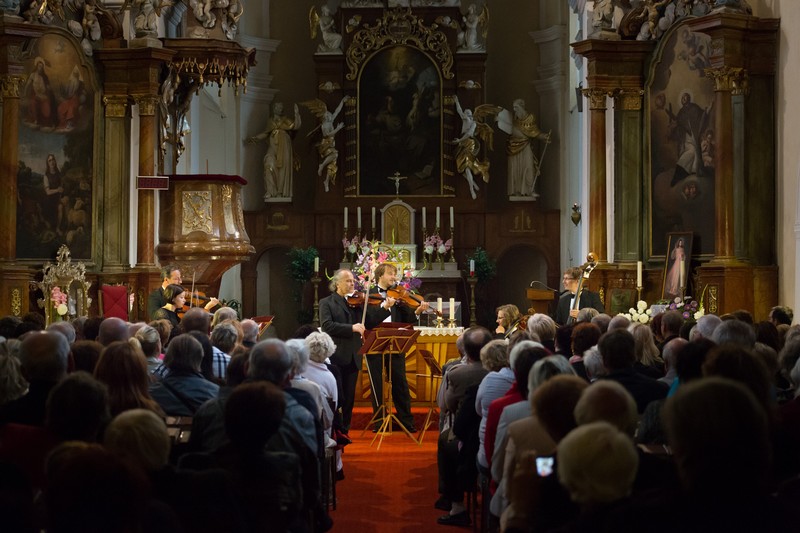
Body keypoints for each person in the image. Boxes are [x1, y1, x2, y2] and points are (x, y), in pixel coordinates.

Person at [319, 269, 385, 433]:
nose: (352, 284)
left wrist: (385, 308)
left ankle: (345, 430)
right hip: (336, 356)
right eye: (348, 281)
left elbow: (369, 322)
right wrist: (351, 328)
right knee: (336, 396)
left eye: (353, 281)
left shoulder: (357, 303)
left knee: (349, 398)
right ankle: (333, 430)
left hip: (353, 356)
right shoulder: (326, 302)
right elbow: (327, 326)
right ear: (337, 284)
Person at [366, 262, 429, 433]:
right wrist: (385, 307)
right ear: (380, 275)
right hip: (374, 345)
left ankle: (406, 422)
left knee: (400, 383)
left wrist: (417, 312)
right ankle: (380, 422)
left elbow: (407, 318)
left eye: (395, 274)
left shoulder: (399, 296)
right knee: (377, 384)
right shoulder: (369, 295)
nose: (394, 277)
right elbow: (368, 320)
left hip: (395, 344)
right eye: (391, 274)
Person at [245, 101, 301, 200]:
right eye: (278, 107)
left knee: (283, 169)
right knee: (268, 164)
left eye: (281, 107)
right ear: (274, 108)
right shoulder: (270, 121)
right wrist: (255, 138)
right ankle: (270, 192)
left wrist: (297, 114)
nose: (280, 109)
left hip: (284, 147)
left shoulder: (285, 120)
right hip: (272, 148)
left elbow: (296, 126)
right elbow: (266, 133)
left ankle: (281, 192)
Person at [506, 99, 550, 198]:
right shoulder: (514, 120)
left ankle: (530, 190)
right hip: (513, 148)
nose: (514, 110)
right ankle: (516, 191)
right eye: (513, 108)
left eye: (516, 107)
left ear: (522, 107)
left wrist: (544, 136)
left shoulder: (530, 119)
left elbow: (534, 132)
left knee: (529, 167)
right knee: (515, 170)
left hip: (526, 146)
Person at [453, 95, 489, 199]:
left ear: (470, 115)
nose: (464, 114)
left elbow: (469, 134)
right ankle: (473, 183)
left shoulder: (473, 123)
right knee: (461, 167)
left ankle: (471, 190)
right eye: (465, 113)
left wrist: (459, 140)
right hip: (462, 143)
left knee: (467, 166)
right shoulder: (465, 120)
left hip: (469, 143)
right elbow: (459, 110)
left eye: (467, 113)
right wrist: (457, 101)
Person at [42, 154, 65, 236]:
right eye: (49, 160)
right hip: (48, 200)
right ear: (47, 163)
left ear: (55, 161)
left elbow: (61, 187)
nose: (52, 162)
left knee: (60, 206)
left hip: (57, 199)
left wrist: (61, 190)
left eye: (53, 160)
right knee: (48, 226)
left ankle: (58, 228)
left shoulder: (59, 174)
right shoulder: (46, 176)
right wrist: (57, 190)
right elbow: (47, 192)